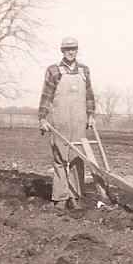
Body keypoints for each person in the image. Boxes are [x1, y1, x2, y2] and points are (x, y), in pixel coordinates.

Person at [38, 36, 96, 210]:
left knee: (77, 158)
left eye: (74, 48)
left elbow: (89, 95)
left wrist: (91, 115)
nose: (71, 52)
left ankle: (74, 196)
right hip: (60, 121)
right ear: (62, 51)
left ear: (77, 50)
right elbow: (46, 95)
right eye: (67, 49)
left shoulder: (84, 70)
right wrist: (42, 117)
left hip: (79, 121)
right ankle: (61, 197)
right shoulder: (53, 70)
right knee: (60, 158)